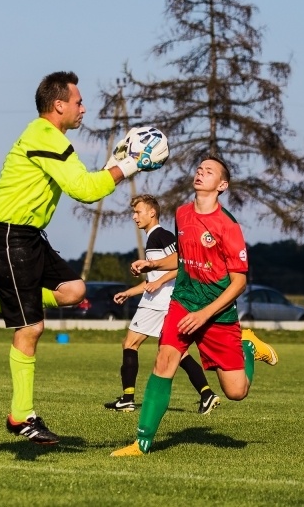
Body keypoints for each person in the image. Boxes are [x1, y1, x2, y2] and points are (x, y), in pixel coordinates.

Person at [0, 71, 166, 445]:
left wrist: (117, 163)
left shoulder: (51, 139)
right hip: (8, 234)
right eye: (78, 102)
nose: (83, 108)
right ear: (59, 105)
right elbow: (84, 190)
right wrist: (130, 165)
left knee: (74, 290)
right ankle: (20, 416)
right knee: (31, 329)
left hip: (26, 235)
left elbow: (86, 182)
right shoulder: (46, 137)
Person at [110, 156, 278, 457]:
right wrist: (152, 263)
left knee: (236, 392)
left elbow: (238, 282)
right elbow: (184, 257)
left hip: (217, 310)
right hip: (183, 301)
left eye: (209, 171)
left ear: (222, 185)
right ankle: (142, 442)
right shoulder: (183, 213)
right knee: (164, 360)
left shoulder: (228, 226)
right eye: (199, 168)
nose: (201, 172)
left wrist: (205, 314)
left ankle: (247, 346)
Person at [105, 194, 220, 415]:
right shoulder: (153, 239)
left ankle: (127, 398)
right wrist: (130, 292)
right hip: (165, 301)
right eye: (134, 212)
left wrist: (158, 280)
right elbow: (155, 278)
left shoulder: (161, 235)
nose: (134, 216)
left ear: (152, 213)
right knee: (175, 351)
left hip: (158, 303)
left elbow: (182, 264)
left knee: (130, 343)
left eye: (138, 212)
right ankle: (207, 394)